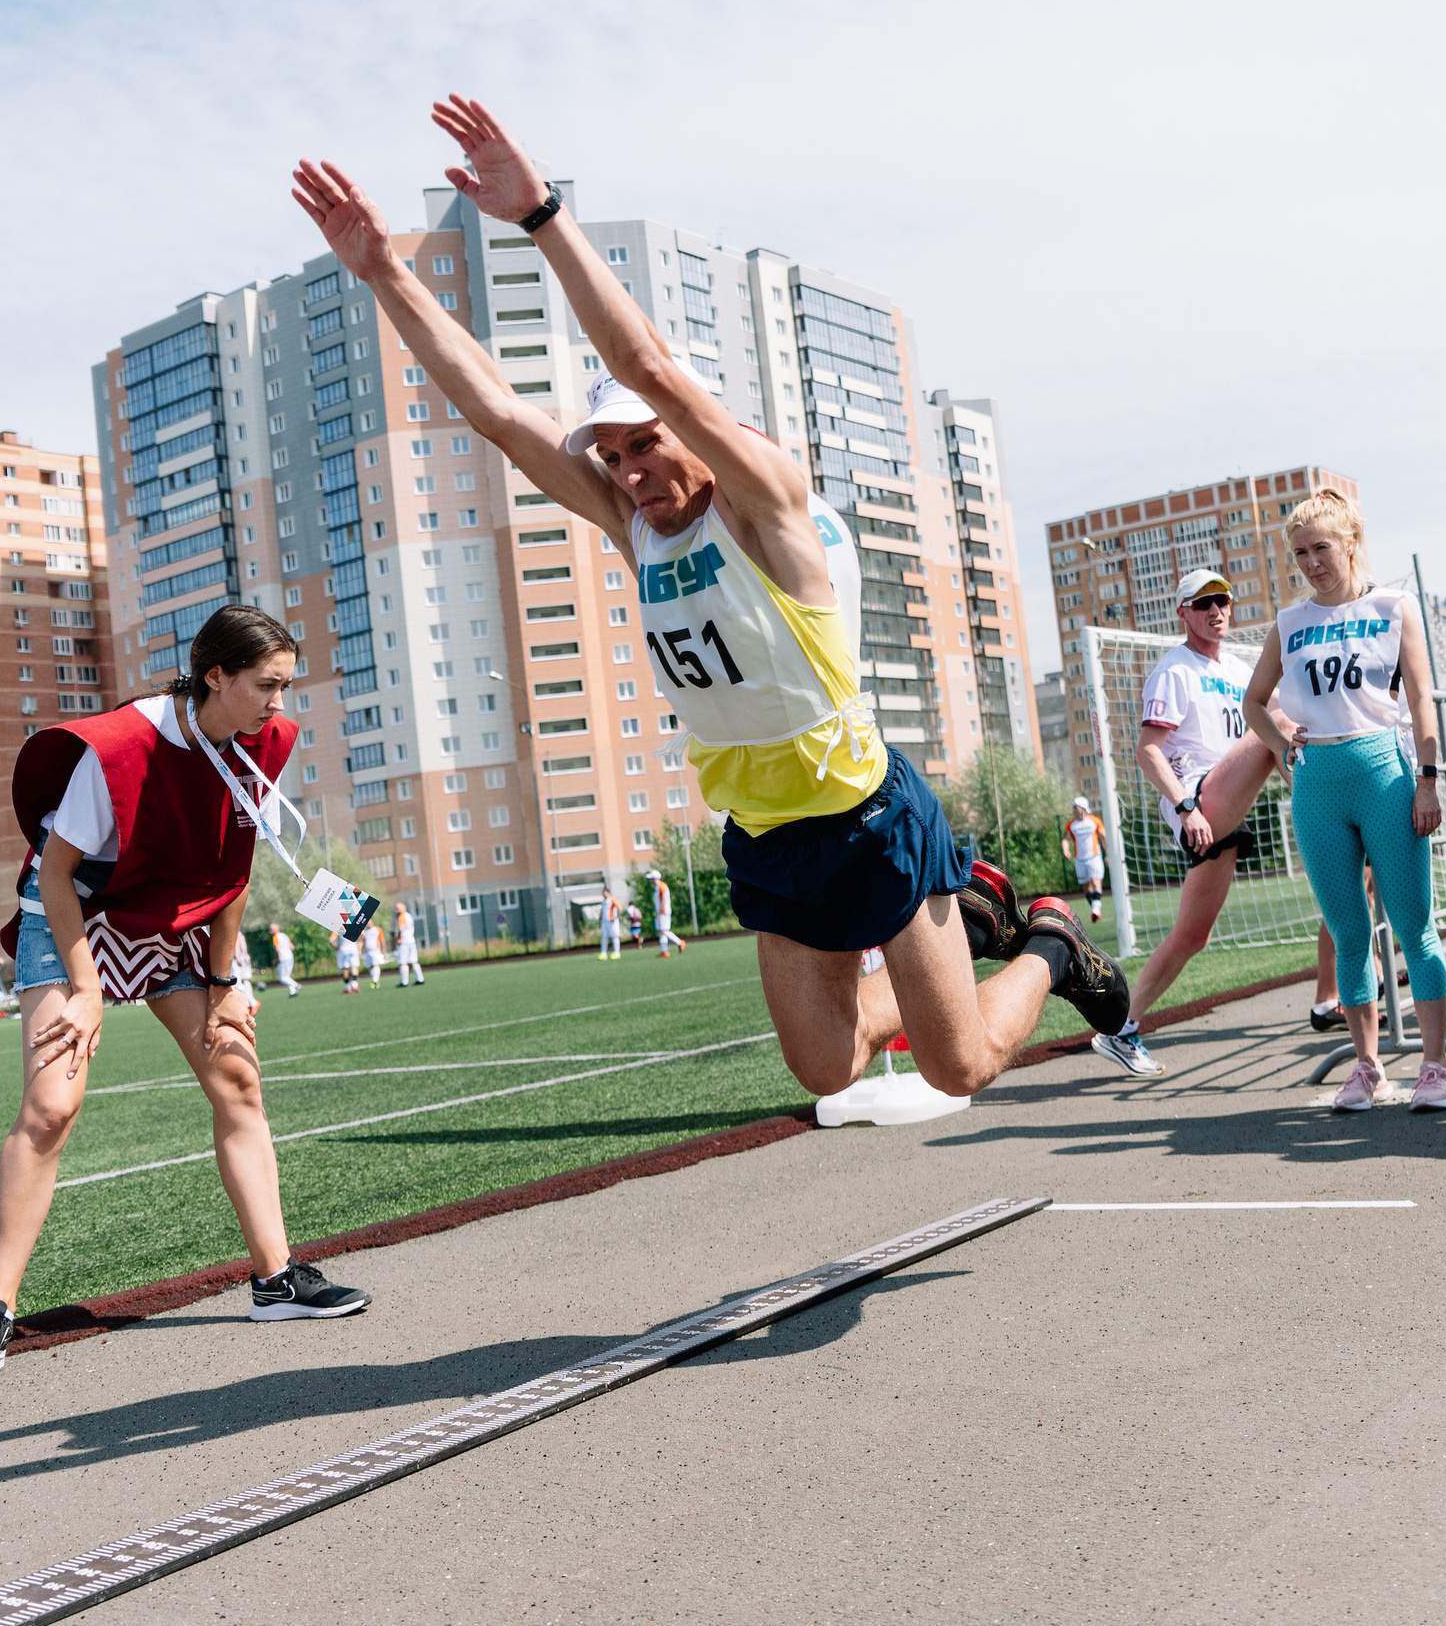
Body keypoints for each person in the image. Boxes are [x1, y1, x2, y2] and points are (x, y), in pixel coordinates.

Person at [292, 100, 1128, 1102]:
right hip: (765, 833)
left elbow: (647, 367)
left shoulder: (766, 502)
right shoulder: (637, 528)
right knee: (826, 1068)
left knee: (960, 1069)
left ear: (703, 426)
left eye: (646, 443)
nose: (631, 470)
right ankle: (972, 926)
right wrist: (383, 270)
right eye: (613, 454)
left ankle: (1043, 940)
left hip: (864, 811)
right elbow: (500, 414)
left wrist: (541, 216)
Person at [0, 605, 367, 1380]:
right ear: (215, 676)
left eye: (286, 685)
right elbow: (56, 875)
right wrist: (88, 988)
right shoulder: (122, 749)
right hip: (78, 914)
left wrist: (226, 982)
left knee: (237, 1077)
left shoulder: (262, 744)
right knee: (51, 1107)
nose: (279, 702)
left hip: (172, 914)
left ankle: (276, 1278)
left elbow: (235, 870)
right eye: (266, 685)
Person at [1240, 487, 1446, 1110]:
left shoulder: (1394, 605)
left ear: (1351, 543)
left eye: (1322, 548)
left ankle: (1436, 1066)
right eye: (1300, 552)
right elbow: (1254, 703)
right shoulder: (1289, 623)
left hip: (1385, 773)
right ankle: (1368, 1066)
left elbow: (1421, 698)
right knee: (1347, 930)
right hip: (1318, 783)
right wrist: (1284, 749)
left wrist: (1427, 777)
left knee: (1415, 928)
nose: (1311, 562)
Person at [1086, 569, 1292, 1078]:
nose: (1216, 611)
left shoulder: (1242, 671)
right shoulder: (1175, 670)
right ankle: (1327, 804)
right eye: (1203, 604)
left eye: (1222, 601)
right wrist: (1185, 806)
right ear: (1183, 613)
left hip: (1227, 804)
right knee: (1281, 721)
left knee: (1190, 937)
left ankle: (1119, 1028)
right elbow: (1147, 751)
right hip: (1199, 799)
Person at [1062, 797, 1108, 922]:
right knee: (1087, 887)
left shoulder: (1094, 821)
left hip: (1094, 857)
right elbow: (1065, 839)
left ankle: (1096, 910)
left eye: (1075, 807)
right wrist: (1066, 850)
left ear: (1082, 808)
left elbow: (1104, 837)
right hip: (1079, 860)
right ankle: (1094, 907)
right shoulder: (1071, 824)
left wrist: (1108, 854)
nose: (1073, 810)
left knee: (1096, 882)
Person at [651, 872, 686, 958]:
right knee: (660, 932)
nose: (650, 880)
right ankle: (665, 951)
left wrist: (660, 910)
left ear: (655, 878)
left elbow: (664, 898)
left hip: (663, 911)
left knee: (664, 930)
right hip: (660, 912)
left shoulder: (661, 886)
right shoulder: (657, 887)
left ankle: (679, 942)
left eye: (651, 878)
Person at [394, 905, 426, 985]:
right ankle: (420, 979)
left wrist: (398, 938)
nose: (396, 911)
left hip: (403, 942)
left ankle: (404, 982)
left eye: (398, 909)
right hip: (411, 940)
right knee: (414, 961)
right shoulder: (409, 916)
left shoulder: (402, 916)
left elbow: (401, 928)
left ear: (403, 908)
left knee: (403, 962)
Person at [270, 921, 299, 997]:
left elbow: (277, 949)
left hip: (282, 959)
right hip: (290, 957)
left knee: (282, 978)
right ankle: (292, 991)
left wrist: (277, 957)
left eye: (271, 929)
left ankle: (296, 985)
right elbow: (292, 947)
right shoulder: (284, 935)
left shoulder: (275, 937)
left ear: (276, 929)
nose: (270, 931)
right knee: (287, 976)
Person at [599, 889, 623, 961]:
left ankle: (617, 952)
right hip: (604, 922)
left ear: (608, 893)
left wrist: (616, 917)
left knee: (614, 936)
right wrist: (600, 920)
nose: (604, 895)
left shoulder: (612, 900)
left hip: (612, 921)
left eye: (606, 893)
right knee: (604, 937)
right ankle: (603, 953)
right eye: (603, 893)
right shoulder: (603, 902)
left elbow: (620, 907)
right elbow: (601, 912)